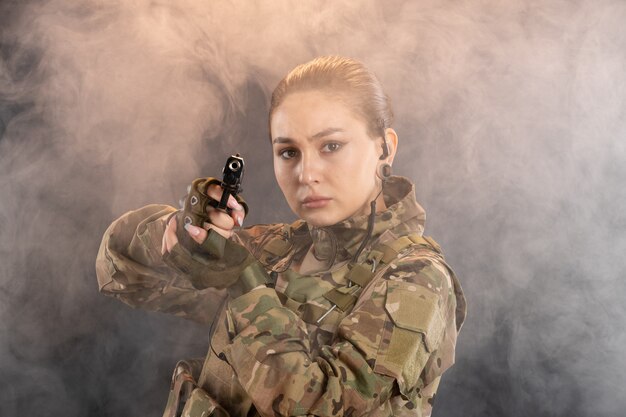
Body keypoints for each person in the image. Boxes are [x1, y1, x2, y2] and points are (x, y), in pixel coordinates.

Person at [95, 56, 466, 417]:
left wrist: (245, 285)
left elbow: (317, 406)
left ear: (385, 147)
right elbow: (122, 274)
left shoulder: (417, 278)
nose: (306, 173)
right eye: (288, 152)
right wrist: (181, 230)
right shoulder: (274, 249)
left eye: (331, 146)